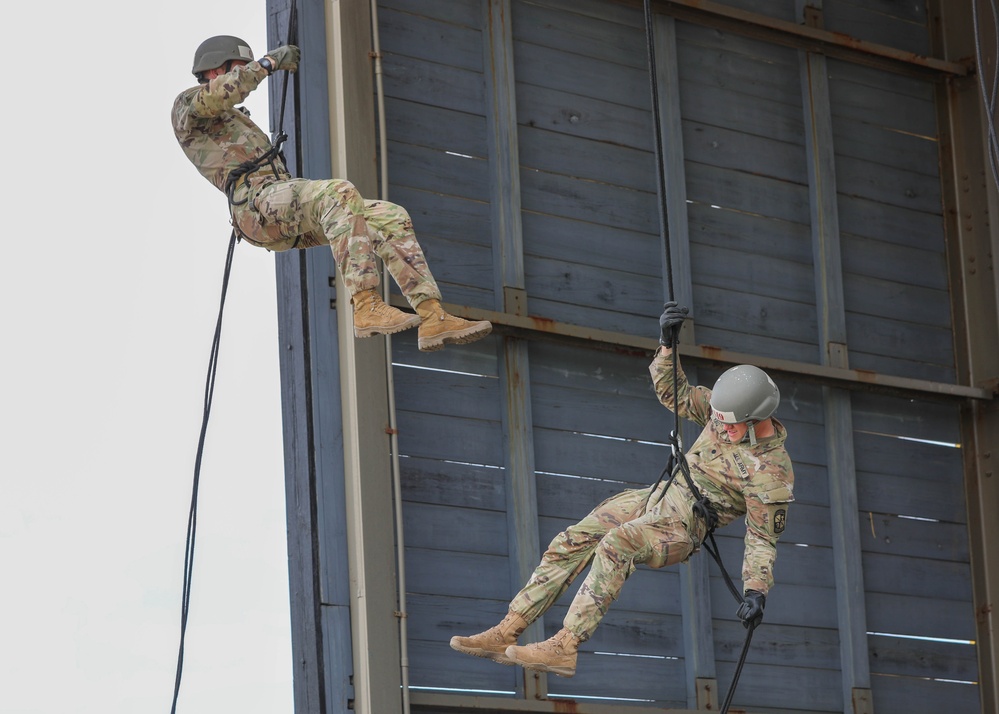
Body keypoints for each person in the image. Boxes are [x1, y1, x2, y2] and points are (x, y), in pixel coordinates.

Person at [449, 302, 794, 677]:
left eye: (731, 426)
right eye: (719, 421)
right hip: (657, 497)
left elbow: (762, 538)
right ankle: (507, 630)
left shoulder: (771, 474)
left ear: (756, 418)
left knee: (618, 544)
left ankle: (565, 646)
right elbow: (673, 393)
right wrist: (666, 344)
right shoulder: (723, 412)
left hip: (682, 526)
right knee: (572, 540)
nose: (721, 428)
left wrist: (755, 590)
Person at [172, 36, 492, 352]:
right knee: (338, 192)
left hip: (275, 206)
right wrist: (267, 64)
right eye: (236, 69)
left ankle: (432, 316)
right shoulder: (187, 106)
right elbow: (219, 95)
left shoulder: (236, 119)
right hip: (256, 207)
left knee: (388, 215)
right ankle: (366, 304)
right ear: (214, 70)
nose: (243, 74)